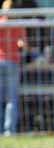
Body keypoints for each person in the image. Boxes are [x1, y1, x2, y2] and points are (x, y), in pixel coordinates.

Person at [0, 0, 26, 136]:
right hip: (12, 62)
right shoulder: (18, 24)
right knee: (11, 98)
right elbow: (23, 44)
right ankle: (9, 130)